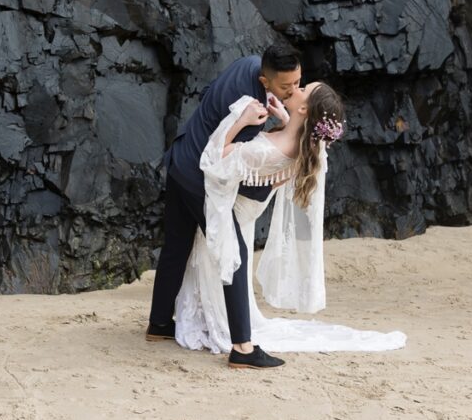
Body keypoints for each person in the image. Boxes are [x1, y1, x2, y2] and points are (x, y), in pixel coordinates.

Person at [174, 82, 407, 360]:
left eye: (303, 89)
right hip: (246, 215)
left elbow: (215, 157)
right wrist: (287, 118)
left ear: (304, 108)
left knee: (221, 270)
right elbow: (292, 136)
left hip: (229, 217)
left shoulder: (270, 151)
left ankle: (233, 336)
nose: (296, 88)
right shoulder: (304, 146)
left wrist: (241, 120)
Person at [147, 44, 302, 369]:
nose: (292, 91)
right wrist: (262, 190)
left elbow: (209, 96)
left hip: (180, 156)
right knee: (235, 251)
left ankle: (159, 323)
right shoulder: (250, 112)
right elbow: (222, 162)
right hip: (198, 177)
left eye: (297, 83)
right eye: (286, 86)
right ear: (265, 80)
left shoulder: (248, 64)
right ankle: (243, 347)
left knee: (176, 246)